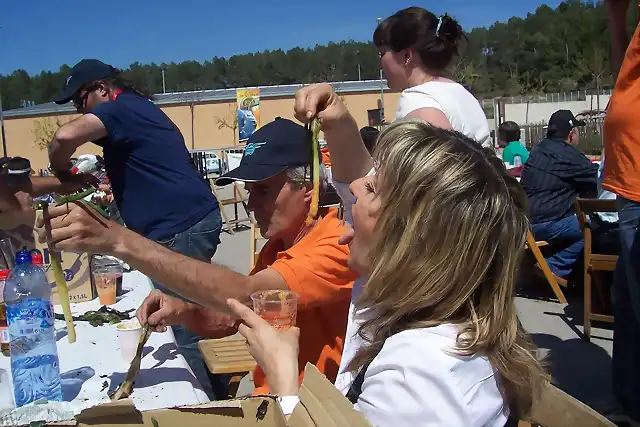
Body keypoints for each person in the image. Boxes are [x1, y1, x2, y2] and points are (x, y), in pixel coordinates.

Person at [226, 120, 545, 426]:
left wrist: (282, 374)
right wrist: (338, 121)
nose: (352, 188)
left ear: (407, 236)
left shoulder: (420, 375)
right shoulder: (429, 315)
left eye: (373, 188)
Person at [35, 118, 357, 395]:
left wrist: (118, 240)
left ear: (308, 188)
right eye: (249, 190)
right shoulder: (278, 247)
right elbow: (235, 315)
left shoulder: (334, 243)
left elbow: (246, 295)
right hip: (274, 401)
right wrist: (185, 311)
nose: (249, 203)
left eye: (263, 190)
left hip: (308, 413)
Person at [48, 58, 222, 398]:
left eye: (80, 100)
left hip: (180, 227)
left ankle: (210, 409)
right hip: (180, 225)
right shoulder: (133, 113)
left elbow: (63, 137)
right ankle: (214, 393)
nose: (78, 109)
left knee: (182, 329)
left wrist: (63, 173)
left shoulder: (122, 107)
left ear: (102, 88)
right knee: (185, 322)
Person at [376, 7, 491, 146]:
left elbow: (442, 165)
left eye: (382, 54)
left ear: (407, 56)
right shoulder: (461, 93)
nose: (380, 65)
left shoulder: (418, 101)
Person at [603, 2, 640, 422]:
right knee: (627, 306)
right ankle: (630, 404)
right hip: (629, 182)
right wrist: (617, 20)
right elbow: (623, 84)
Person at [521, 110, 598, 280]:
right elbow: (598, 178)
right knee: (593, 223)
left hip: (523, 223)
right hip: (545, 224)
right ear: (571, 134)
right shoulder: (570, 156)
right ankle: (555, 266)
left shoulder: (537, 151)